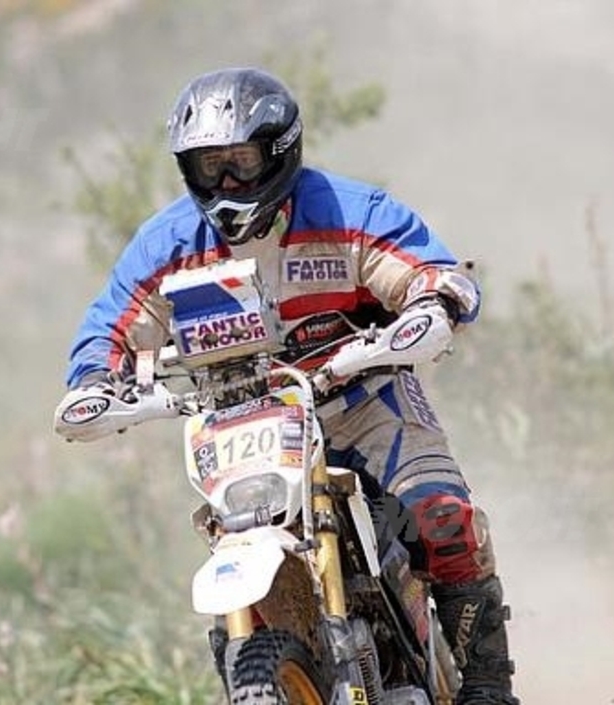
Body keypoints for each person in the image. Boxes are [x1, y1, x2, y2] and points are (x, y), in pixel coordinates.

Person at [58, 67, 519, 705]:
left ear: (279, 152)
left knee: (439, 515)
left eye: (241, 162)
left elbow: (428, 271)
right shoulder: (166, 244)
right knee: (233, 548)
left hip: (362, 399)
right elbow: (112, 326)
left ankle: (489, 686)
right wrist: (93, 381)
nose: (226, 184)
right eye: (209, 166)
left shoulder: (348, 211)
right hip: (246, 424)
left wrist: (434, 300)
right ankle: (262, 665)